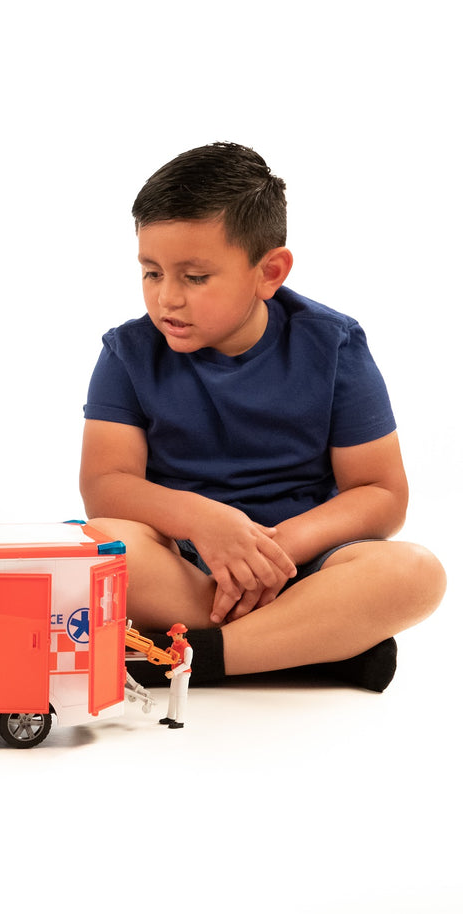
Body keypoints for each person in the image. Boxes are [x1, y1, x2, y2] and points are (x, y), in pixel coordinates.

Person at [80, 142, 445, 692]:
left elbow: (382, 493)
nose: (166, 299)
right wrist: (204, 523)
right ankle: (307, 647)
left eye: (194, 277)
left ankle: (192, 657)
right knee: (101, 544)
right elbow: (106, 487)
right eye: (152, 273)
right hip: (185, 567)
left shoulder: (333, 344)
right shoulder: (127, 353)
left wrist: (272, 551)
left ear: (269, 272)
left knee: (416, 573)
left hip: (300, 567)